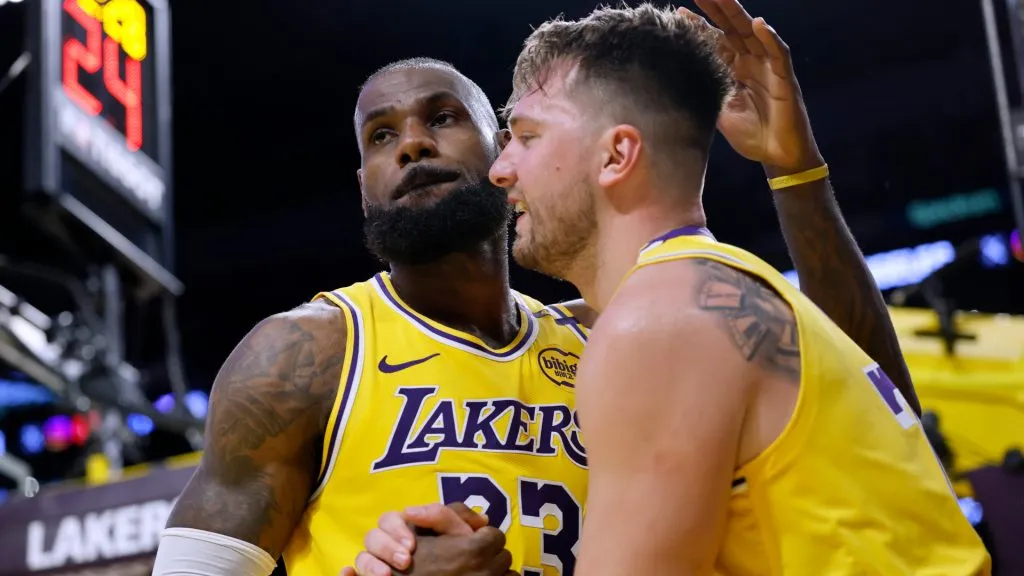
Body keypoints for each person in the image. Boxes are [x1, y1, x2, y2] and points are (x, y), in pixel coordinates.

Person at [154, 14, 917, 574]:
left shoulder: (620, 334)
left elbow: (867, 402)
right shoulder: (304, 352)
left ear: (504, 158)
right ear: (362, 188)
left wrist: (798, 176)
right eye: (379, 137)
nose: (411, 143)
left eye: (442, 118)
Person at [350, 1, 989, 575]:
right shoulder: (739, 291)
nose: (500, 168)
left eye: (526, 136)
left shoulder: (659, 321)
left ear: (615, 156)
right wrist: (796, 172)